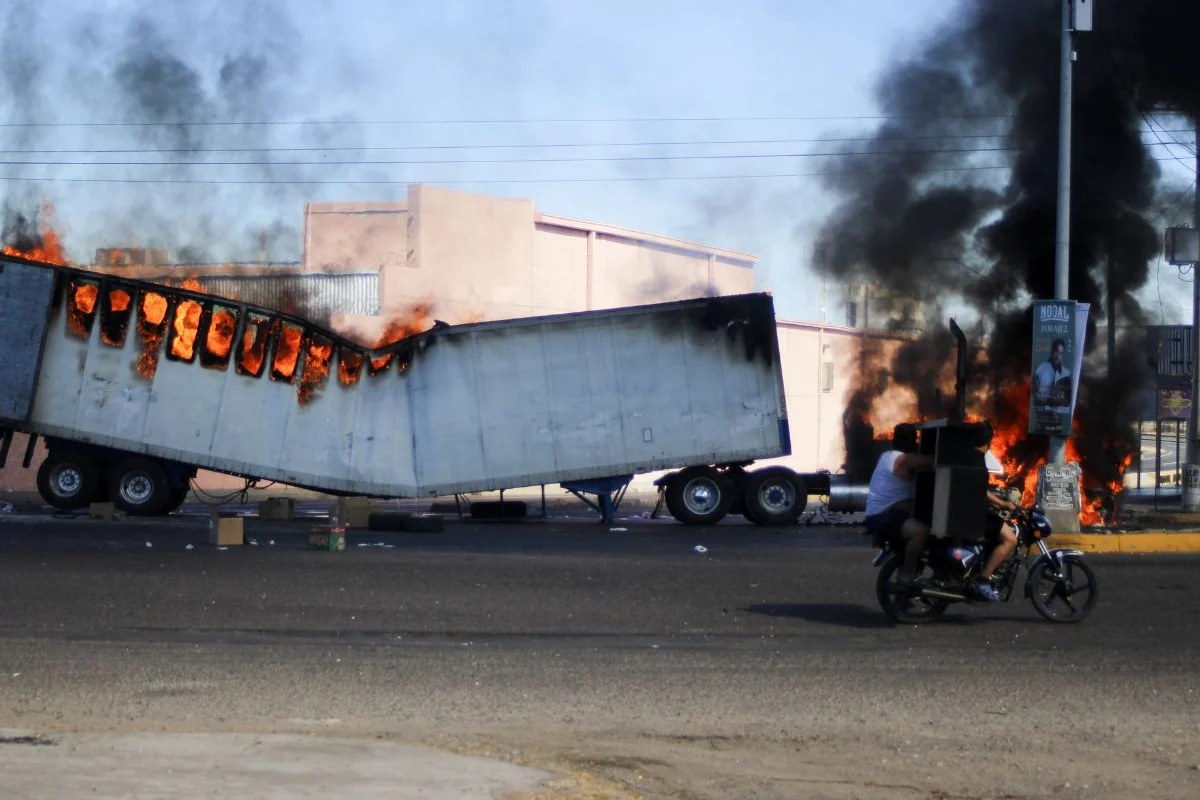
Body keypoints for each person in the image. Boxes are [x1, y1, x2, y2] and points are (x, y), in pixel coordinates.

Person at [863, 423, 933, 584]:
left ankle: (904, 593)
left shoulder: (886, 455)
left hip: (883, 514)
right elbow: (932, 461)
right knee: (921, 533)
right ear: (911, 441)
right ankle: (907, 574)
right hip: (883, 516)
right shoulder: (903, 460)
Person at [1032, 338, 1072, 409]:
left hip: (1058, 415)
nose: (1058, 356)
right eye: (1056, 352)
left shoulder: (1067, 373)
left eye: (1061, 353)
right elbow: (1033, 393)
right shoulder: (1040, 369)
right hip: (1041, 412)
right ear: (1051, 351)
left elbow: (1067, 400)